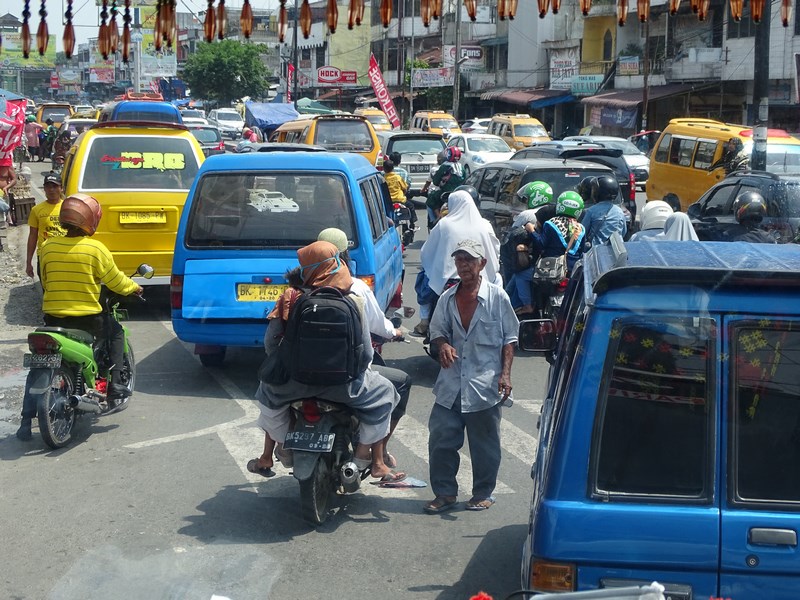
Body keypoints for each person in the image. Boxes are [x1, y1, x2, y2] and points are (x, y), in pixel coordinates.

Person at [253, 241, 404, 482]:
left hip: (295, 384)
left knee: (266, 397)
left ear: (307, 270)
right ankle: (365, 457)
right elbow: (365, 353)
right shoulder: (354, 299)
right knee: (387, 393)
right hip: (346, 387)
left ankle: (285, 446)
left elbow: (271, 345)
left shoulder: (290, 297)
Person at [17, 193, 143, 440]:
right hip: (88, 319)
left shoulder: (48, 247)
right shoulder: (95, 249)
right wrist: (135, 288)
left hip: (53, 319)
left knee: (37, 364)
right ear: (90, 221)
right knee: (116, 332)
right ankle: (117, 384)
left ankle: (24, 422)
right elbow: (116, 281)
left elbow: (46, 278)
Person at [424, 239, 519, 513]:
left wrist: (506, 375)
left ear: (482, 264)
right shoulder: (447, 298)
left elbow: (509, 339)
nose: (464, 265)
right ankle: (444, 493)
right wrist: (442, 345)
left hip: (483, 386)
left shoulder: (497, 298)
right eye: (459, 260)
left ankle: (483, 493)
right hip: (451, 385)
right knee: (441, 439)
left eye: (469, 260)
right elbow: (437, 331)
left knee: (485, 447)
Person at [414, 189, 502, 337]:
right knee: (498, 285)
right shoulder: (485, 225)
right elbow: (495, 250)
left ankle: (424, 321)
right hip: (481, 277)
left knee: (424, 279)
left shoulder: (444, 224)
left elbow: (427, 252)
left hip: (447, 280)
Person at [504, 181, 554, 313]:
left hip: (533, 260)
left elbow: (513, 233)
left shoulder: (528, 215)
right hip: (547, 261)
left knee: (516, 276)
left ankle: (513, 309)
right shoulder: (554, 212)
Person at [525, 191, 586, 274]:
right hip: (573, 270)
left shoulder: (551, 223)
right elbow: (582, 250)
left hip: (551, 268)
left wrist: (531, 230)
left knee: (522, 276)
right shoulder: (580, 228)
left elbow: (541, 244)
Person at [26, 173, 66, 280]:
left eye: (55, 186)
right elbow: (33, 236)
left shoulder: (68, 207)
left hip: (66, 254)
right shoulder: (37, 210)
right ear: (44, 189)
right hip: (45, 255)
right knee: (47, 288)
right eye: (48, 187)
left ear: (61, 188)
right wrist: (28, 261)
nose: (51, 190)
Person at [580, 174, 626, 247]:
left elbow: (582, 233)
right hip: (617, 252)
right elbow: (623, 232)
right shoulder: (619, 211)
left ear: (597, 192)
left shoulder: (591, 211)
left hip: (596, 252)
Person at [426, 146, 465, 225]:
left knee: (430, 200)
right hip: (459, 193)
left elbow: (436, 182)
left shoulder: (444, 166)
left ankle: (436, 219)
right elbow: (465, 180)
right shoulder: (462, 168)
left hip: (445, 193)